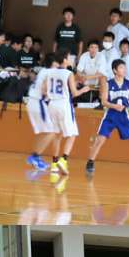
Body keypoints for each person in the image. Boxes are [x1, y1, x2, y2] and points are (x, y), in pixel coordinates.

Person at [86, 59, 129, 175]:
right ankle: (90, 162)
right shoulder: (108, 83)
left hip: (123, 115)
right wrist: (114, 106)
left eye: (124, 68)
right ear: (115, 70)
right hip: (111, 114)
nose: (124, 70)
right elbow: (104, 102)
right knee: (100, 140)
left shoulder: (128, 83)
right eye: (121, 68)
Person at [44, 49, 89, 177]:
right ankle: (63, 160)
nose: (70, 59)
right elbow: (74, 93)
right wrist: (84, 90)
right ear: (64, 60)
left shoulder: (50, 72)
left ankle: (54, 163)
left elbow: (47, 90)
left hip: (52, 105)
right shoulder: (69, 73)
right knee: (72, 134)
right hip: (64, 105)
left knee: (57, 135)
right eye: (69, 57)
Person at [26, 53, 59, 171]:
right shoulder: (51, 72)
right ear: (53, 62)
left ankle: (36, 157)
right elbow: (45, 90)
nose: (59, 63)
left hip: (32, 101)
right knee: (52, 131)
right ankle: (35, 156)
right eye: (57, 61)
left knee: (44, 132)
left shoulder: (43, 70)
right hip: (38, 102)